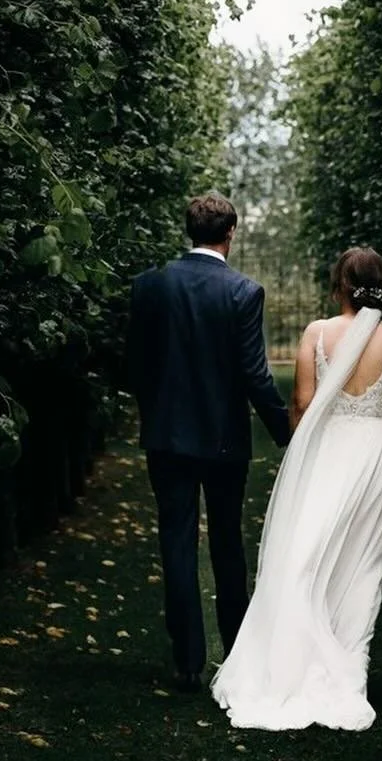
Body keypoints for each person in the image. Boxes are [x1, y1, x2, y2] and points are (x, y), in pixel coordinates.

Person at [210, 245, 382, 731]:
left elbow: (300, 400)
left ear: (339, 284)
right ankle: (348, 670)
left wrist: (302, 451)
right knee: (363, 563)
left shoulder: (317, 334)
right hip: (377, 456)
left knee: (308, 556)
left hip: (327, 453)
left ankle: (294, 659)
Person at [127, 192, 290, 691]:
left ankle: (187, 662)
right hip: (223, 439)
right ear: (231, 233)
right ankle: (237, 654)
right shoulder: (242, 291)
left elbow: (134, 364)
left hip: (168, 437)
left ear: (189, 231)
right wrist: (286, 434)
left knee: (175, 542)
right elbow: (255, 375)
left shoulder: (149, 286)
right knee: (226, 544)